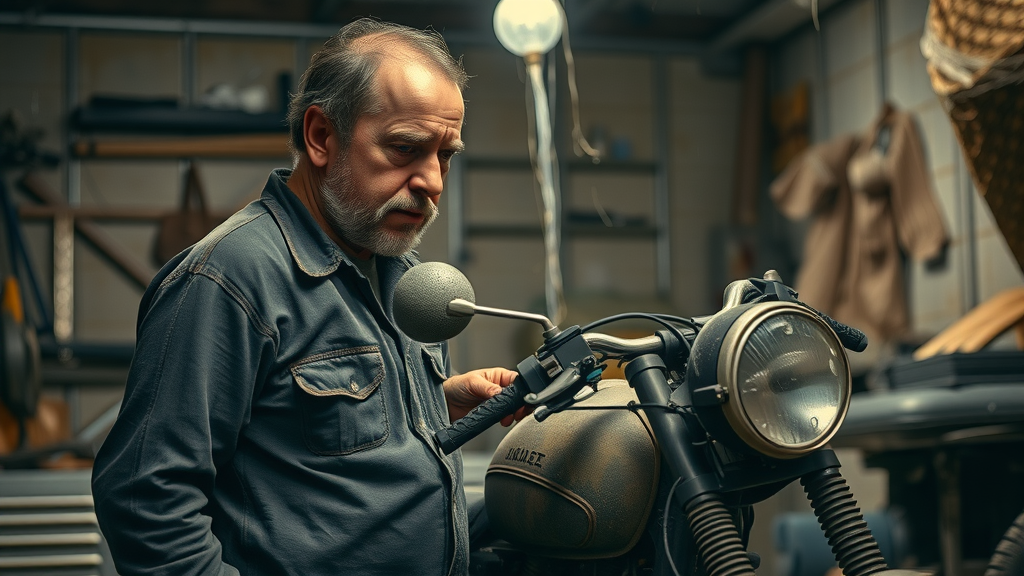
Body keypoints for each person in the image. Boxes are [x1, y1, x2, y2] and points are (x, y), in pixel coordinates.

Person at [92, 18, 523, 576]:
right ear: (321, 137)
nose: (433, 182)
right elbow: (144, 503)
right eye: (406, 149)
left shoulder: (398, 272)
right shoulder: (228, 279)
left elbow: (324, 451)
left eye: (445, 155)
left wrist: (435, 402)